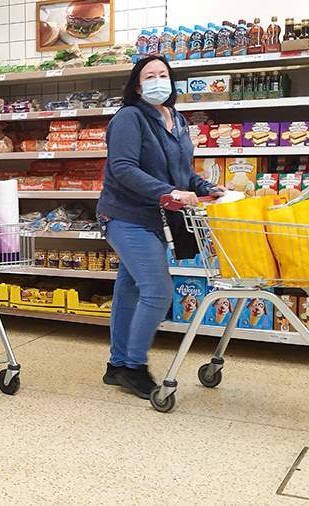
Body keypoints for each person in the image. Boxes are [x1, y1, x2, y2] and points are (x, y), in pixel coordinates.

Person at [96, 55, 224, 399]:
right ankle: (133, 367)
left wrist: (205, 187)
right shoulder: (129, 117)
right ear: (138, 86)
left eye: (163, 74)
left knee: (130, 289)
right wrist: (170, 192)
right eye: (149, 76)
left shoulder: (176, 118)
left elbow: (182, 170)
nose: (157, 81)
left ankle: (117, 365)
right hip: (125, 215)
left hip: (156, 218)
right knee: (157, 290)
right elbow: (123, 168)